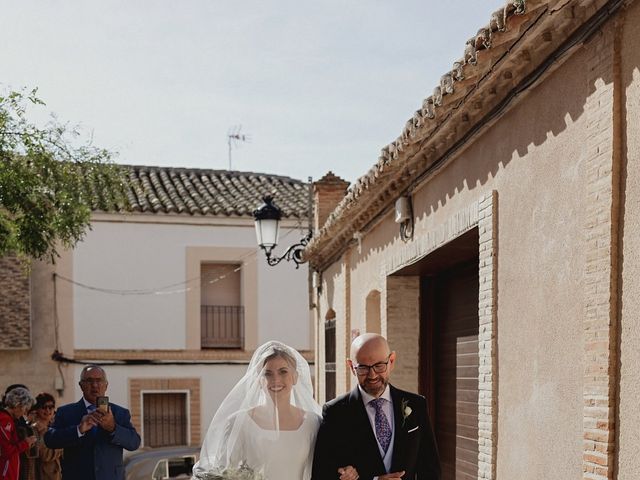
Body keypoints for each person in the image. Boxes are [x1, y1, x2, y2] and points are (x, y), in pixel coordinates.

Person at [193, 341, 359, 480]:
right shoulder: (239, 423)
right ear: (258, 380)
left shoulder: (313, 423)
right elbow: (224, 473)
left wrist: (348, 470)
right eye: (267, 374)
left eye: (283, 372)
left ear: (295, 377)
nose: (275, 380)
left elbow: (328, 466)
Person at [312, 333, 441, 480]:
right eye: (363, 368)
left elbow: (430, 469)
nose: (372, 375)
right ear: (351, 367)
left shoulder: (416, 405)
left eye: (379, 366)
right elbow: (321, 474)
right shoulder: (335, 412)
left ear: (391, 361)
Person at [44, 365, 140, 480]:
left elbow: (134, 442)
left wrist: (113, 427)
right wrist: (78, 430)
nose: (94, 385)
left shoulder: (120, 413)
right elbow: (50, 440)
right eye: (89, 381)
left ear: (106, 385)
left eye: (99, 380)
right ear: (81, 386)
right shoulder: (66, 412)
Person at [0, 387, 38, 480]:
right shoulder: (5, 420)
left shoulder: (9, 420)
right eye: (25, 409)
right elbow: (5, 450)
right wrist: (26, 443)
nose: (24, 414)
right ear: (18, 405)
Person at [25, 393, 62, 480]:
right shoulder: (33, 429)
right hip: (41, 475)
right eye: (44, 407)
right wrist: (62, 445)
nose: (48, 410)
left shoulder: (54, 427)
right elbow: (45, 455)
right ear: (37, 409)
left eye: (51, 407)